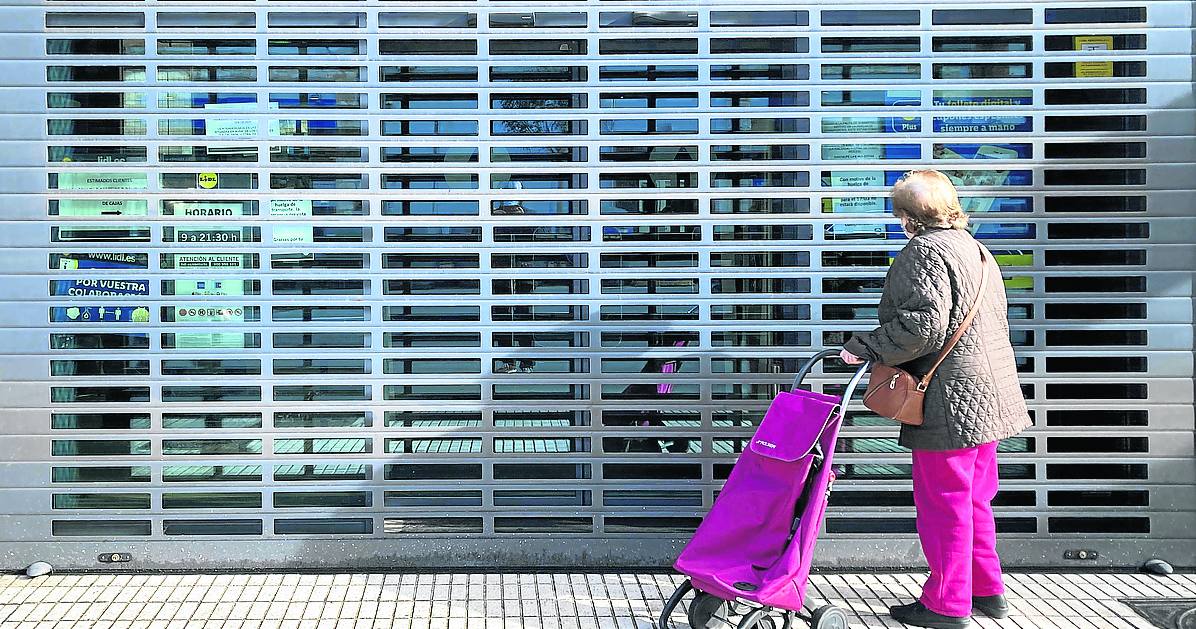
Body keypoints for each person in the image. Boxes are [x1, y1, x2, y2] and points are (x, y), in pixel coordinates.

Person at [839, 170, 1032, 629]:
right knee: (974, 500)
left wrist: (863, 347)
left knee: (943, 503)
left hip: (951, 398)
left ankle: (947, 604)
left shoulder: (923, 252)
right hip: (992, 392)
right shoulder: (976, 249)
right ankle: (987, 591)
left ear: (907, 216)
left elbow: (922, 327)